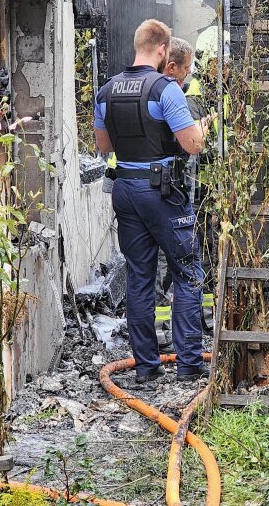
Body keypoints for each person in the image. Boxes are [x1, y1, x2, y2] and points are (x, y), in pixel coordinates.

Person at [94, 20, 210, 384]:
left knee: (140, 277)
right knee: (187, 272)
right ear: (162, 51)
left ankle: (146, 367)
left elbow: (104, 147)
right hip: (162, 193)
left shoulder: (106, 91)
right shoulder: (165, 89)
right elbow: (193, 145)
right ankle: (190, 364)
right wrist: (202, 131)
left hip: (125, 192)